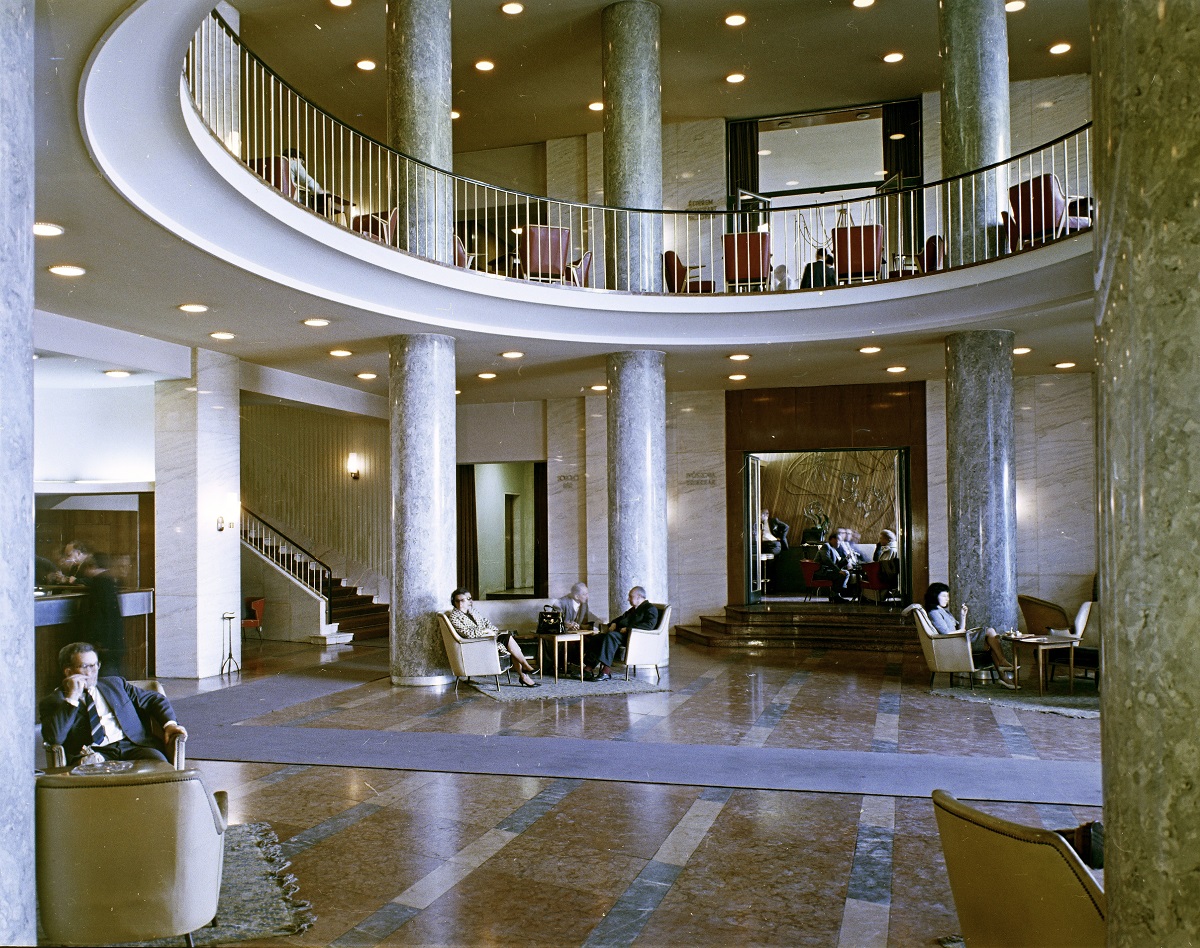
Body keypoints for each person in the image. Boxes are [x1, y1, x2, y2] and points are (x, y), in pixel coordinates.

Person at [39, 642, 187, 764]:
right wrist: (72, 698)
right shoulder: (54, 700)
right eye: (85, 666)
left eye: (95, 665)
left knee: (161, 767)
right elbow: (54, 738)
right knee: (92, 768)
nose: (92, 672)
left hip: (133, 746)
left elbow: (154, 699)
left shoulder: (115, 684)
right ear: (68, 671)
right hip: (94, 752)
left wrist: (170, 724)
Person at [923, 583, 1016, 688]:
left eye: (947, 596)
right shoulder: (934, 612)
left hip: (959, 640)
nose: (947, 599)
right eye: (944, 596)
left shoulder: (944, 611)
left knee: (991, 643)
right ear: (934, 596)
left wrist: (963, 616)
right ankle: (1003, 663)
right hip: (956, 643)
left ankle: (1004, 677)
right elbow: (946, 633)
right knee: (990, 631)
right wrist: (963, 631)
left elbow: (960, 628)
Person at [447, 588, 540, 687]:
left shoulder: (472, 612)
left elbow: (487, 623)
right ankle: (525, 671)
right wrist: (485, 631)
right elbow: (467, 634)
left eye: (462, 600)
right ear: (453, 602)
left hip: (488, 639)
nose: (460, 603)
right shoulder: (454, 616)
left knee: (508, 638)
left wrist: (492, 631)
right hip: (476, 644)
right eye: (457, 601)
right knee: (508, 642)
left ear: (469, 600)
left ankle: (524, 672)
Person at [585, 586, 659, 681]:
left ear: (639, 597)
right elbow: (620, 618)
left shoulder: (650, 608)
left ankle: (606, 671)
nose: (628, 599)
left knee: (611, 636)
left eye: (630, 596)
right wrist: (613, 623)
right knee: (598, 637)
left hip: (636, 637)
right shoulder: (633, 609)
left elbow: (649, 625)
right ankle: (588, 668)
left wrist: (628, 629)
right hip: (623, 636)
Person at [815, 527, 857, 602]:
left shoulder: (834, 550)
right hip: (822, 572)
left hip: (828, 571)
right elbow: (826, 560)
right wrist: (838, 571)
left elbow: (838, 565)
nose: (840, 543)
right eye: (839, 540)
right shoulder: (826, 546)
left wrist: (846, 559)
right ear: (833, 539)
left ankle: (835, 594)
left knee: (846, 573)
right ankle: (835, 595)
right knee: (842, 574)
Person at [284, 147, 327, 213]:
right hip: (291, 196)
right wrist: (320, 190)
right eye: (301, 162)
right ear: (294, 158)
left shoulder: (276, 163)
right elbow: (307, 180)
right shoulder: (294, 163)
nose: (301, 164)